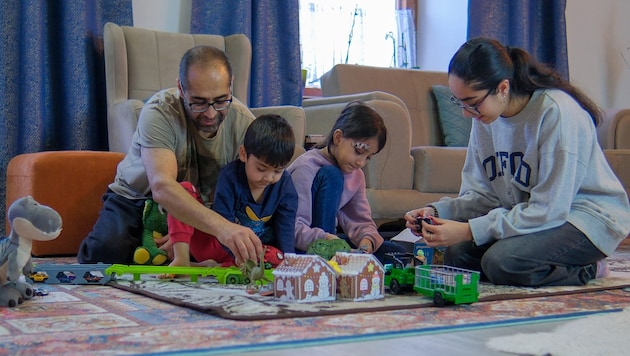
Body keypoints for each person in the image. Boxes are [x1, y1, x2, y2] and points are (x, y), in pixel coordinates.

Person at [404, 37, 630, 287]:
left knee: (502, 262)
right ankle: (535, 260)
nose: (466, 114)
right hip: (536, 216)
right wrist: (437, 212)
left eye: (472, 103)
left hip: (584, 218)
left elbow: (549, 211)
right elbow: (484, 196)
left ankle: (589, 269)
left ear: (502, 88)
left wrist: (469, 230)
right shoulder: (485, 121)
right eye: (459, 102)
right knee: (456, 254)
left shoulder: (556, 113)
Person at [77, 45, 264, 265]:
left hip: (197, 209)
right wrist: (221, 229)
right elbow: (162, 187)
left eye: (221, 100)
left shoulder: (245, 124)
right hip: (138, 198)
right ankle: (149, 246)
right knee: (104, 254)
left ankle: (161, 253)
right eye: (199, 102)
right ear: (181, 89)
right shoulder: (159, 111)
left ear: (230, 85)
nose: (211, 113)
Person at [167, 114, 298, 268]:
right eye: (261, 168)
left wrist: (289, 264)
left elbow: (286, 231)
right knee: (183, 191)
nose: (268, 178)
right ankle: (181, 260)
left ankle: (212, 266)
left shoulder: (286, 187)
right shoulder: (230, 176)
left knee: (278, 257)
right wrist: (237, 254)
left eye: (277, 171)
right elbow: (223, 224)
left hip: (250, 253)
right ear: (243, 154)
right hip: (219, 242)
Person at [288, 101, 407, 263]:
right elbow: (292, 228)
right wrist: (330, 241)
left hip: (332, 240)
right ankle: (326, 261)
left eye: (368, 158)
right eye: (358, 152)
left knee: (396, 253)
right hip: (303, 247)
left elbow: (361, 221)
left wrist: (367, 242)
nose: (361, 163)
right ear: (338, 137)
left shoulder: (356, 174)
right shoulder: (306, 167)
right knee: (332, 175)